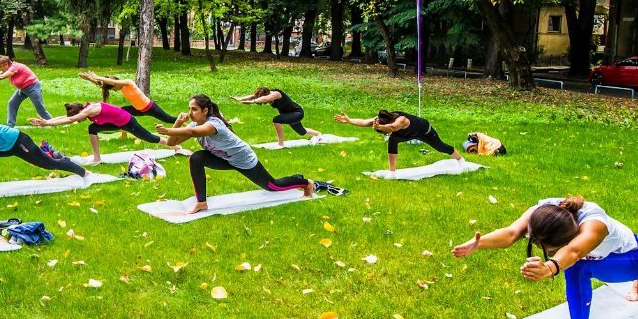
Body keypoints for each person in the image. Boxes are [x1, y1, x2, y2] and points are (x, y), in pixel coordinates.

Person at [451, 195, 638, 319]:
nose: (547, 252)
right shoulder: (545, 213)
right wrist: (478, 243)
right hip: (608, 254)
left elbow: (573, 252)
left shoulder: (594, 225)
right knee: (577, 263)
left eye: (551, 250)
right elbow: (512, 233)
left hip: (636, 258)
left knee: (577, 267)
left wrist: (549, 268)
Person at [156, 94, 338, 214]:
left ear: (205, 111)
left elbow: (194, 134)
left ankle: (305, 182)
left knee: (272, 186)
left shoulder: (213, 124)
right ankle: (201, 202)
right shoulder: (193, 125)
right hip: (223, 159)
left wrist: (168, 130)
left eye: (193, 109)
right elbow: (172, 143)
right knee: (197, 158)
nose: (190, 113)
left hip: (243, 159)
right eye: (189, 109)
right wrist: (177, 124)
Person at [29, 102, 175, 165]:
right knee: (92, 128)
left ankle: (174, 145)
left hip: (127, 121)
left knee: (149, 138)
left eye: (79, 118)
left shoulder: (89, 110)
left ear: (80, 112)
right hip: (114, 123)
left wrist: (48, 123)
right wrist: (48, 121)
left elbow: (71, 119)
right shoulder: (84, 109)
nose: (78, 121)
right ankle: (97, 157)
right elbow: (68, 117)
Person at [334, 109, 463, 171]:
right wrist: (349, 120)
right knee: (393, 140)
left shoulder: (400, 119)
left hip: (424, 131)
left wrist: (380, 127)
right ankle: (392, 171)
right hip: (406, 134)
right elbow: (364, 122)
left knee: (440, 147)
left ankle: (460, 159)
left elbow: (393, 127)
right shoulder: (380, 119)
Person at [0, 56, 51, 127]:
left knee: (40, 108)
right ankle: (10, 125)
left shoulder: (14, 67)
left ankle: (51, 122)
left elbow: (2, 77)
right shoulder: (9, 68)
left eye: (0, 67)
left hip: (32, 87)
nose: (0, 69)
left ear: (6, 64)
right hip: (22, 88)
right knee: (12, 103)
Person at [232, 87, 322, 147]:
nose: (264, 103)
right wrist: (240, 98)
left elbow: (265, 99)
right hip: (288, 115)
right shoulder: (266, 94)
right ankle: (318, 134)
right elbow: (252, 96)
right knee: (301, 132)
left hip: (297, 113)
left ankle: (280, 144)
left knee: (276, 120)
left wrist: (253, 102)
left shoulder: (276, 94)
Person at [78, 71, 177, 123]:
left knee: (168, 119)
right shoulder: (121, 88)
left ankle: (183, 122)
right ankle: (124, 132)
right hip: (138, 109)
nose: (115, 90)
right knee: (122, 113)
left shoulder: (128, 83)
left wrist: (98, 77)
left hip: (149, 107)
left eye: (114, 89)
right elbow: (104, 85)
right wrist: (90, 79)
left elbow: (113, 82)